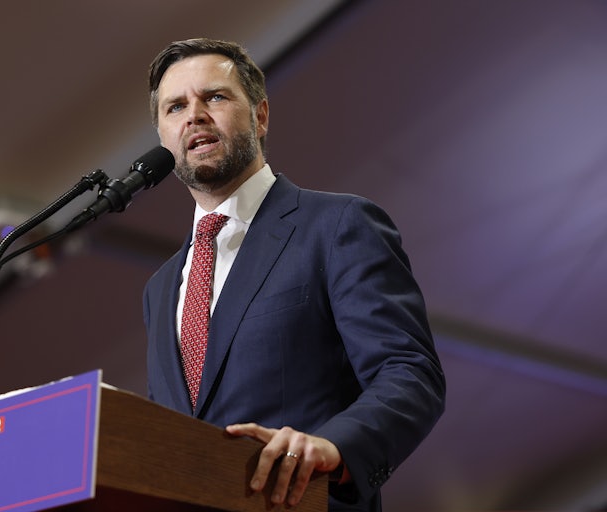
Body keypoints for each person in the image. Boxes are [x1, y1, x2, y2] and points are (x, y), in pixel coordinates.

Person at [142, 38, 445, 512]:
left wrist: (336, 446)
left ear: (260, 116)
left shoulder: (337, 225)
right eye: (176, 106)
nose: (194, 115)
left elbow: (408, 373)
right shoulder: (160, 288)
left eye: (215, 97)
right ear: (163, 137)